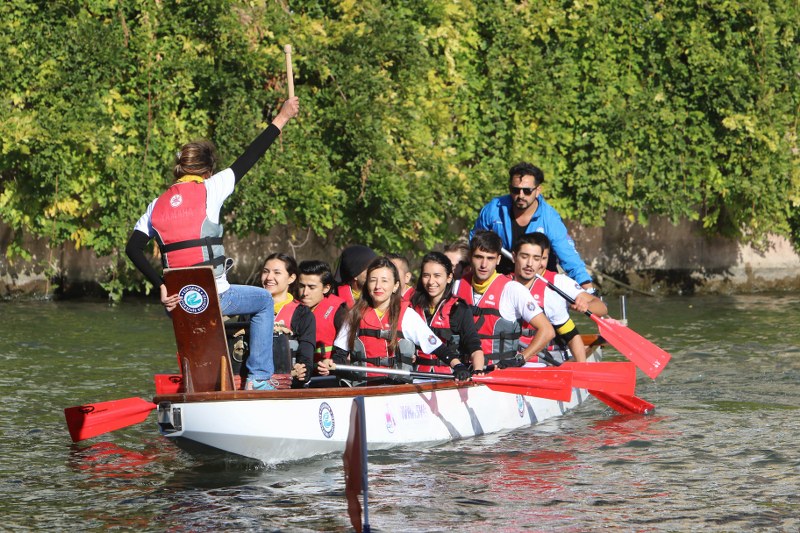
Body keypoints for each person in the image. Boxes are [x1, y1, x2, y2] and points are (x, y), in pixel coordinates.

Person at [125, 96, 299, 390]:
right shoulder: (211, 188)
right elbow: (251, 155)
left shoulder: (156, 205)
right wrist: (281, 118)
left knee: (198, 328)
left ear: (179, 170)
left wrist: (162, 286)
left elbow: (132, 249)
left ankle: (198, 384)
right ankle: (258, 378)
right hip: (216, 295)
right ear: (206, 171)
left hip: (178, 303)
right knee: (262, 301)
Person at [318, 257, 469, 383]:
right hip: (363, 387)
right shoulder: (354, 315)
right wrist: (330, 364)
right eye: (373, 280)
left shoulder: (407, 315)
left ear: (395, 285)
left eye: (384, 281)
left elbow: (437, 347)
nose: (378, 286)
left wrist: (458, 366)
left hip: (396, 388)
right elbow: (339, 355)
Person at [470, 162, 594, 291]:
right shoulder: (493, 209)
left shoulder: (550, 218)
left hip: (539, 282)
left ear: (538, 190)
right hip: (504, 279)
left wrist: (588, 289)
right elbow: (474, 240)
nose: (521, 195)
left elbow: (569, 257)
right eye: (515, 190)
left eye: (527, 191)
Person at [453, 230, 555, 367]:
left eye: (490, 258)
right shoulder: (457, 286)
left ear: (499, 259)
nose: (484, 265)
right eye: (479, 257)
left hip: (499, 371)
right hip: (464, 370)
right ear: (470, 257)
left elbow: (547, 331)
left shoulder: (513, 289)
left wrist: (519, 359)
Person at [511, 233, 607, 363]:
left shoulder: (558, 283)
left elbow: (601, 308)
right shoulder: (505, 284)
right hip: (513, 358)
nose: (533, 264)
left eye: (539, 258)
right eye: (525, 257)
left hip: (550, 357)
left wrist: (586, 306)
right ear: (515, 257)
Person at [410, 252, 485, 375]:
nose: (431, 282)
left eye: (437, 276)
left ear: (449, 277)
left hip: (450, 377)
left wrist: (478, 371)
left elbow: (475, 347)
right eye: (426, 276)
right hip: (417, 376)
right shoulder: (412, 307)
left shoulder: (459, 309)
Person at [261, 253, 315, 387]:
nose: (269, 278)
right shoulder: (250, 310)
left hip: (288, 386)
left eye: (277, 273)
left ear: (291, 278)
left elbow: (306, 355)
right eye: (265, 272)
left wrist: (302, 370)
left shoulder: (303, 314)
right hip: (255, 385)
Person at [296, 259, 348, 366]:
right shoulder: (290, 307)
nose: (305, 293)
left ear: (326, 288)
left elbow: (345, 349)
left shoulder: (340, 311)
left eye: (311, 287)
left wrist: (333, 363)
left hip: (326, 376)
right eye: (301, 286)